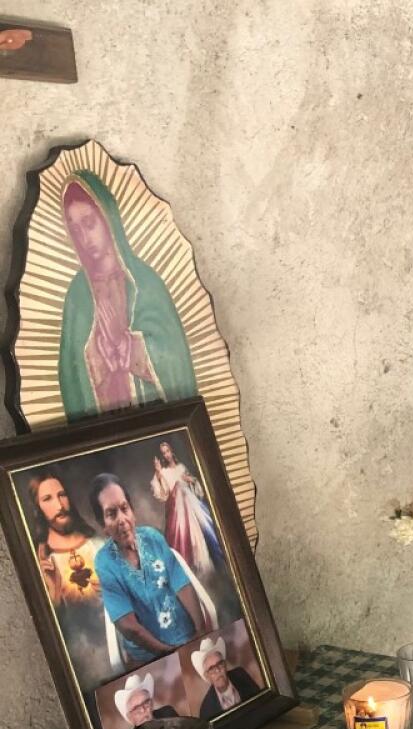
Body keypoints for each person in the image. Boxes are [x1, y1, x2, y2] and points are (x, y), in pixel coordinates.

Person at [57, 171, 197, 420]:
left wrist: (126, 345)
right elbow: (72, 375)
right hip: (107, 432)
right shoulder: (77, 295)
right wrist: (99, 352)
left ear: (108, 219)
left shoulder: (144, 283)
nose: (84, 237)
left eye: (90, 223)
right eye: (75, 229)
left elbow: (175, 359)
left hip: (154, 421)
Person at [91, 473, 203, 665]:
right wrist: (168, 652)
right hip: (151, 654)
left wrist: (200, 634)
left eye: (124, 508)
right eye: (111, 513)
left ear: (132, 511)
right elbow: (129, 627)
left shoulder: (153, 537)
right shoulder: (105, 562)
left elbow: (182, 585)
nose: (122, 519)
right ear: (103, 526)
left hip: (186, 634)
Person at [25, 469, 115, 688]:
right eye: (47, 498)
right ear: (37, 508)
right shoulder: (42, 562)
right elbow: (50, 629)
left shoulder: (98, 545)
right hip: (84, 666)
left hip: (121, 650)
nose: (59, 505)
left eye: (62, 495)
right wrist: (53, 589)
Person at [151, 440, 225, 580]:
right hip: (178, 510)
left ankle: (210, 567)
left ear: (171, 451)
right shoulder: (165, 472)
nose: (166, 455)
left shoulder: (181, 467)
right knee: (184, 535)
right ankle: (192, 570)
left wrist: (190, 479)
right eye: (163, 453)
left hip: (192, 505)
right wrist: (159, 473)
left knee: (204, 529)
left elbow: (196, 487)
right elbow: (163, 494)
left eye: (167, 451)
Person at [191, 636, 261, 721]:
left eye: (219, 663)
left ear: (225, 665)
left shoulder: (241, 674)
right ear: (207, 676)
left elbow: (260, 702)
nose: (217, 670)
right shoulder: (206, 710)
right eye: (211, 668)